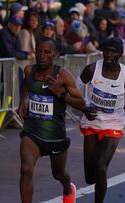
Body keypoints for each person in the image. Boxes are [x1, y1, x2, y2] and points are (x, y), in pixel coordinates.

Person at [17, 37, 96, 203]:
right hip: (32, 132)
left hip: (55, 135)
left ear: (55, 54)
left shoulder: (63, 76)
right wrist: (22, 102)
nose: (42, 56)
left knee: (58, 174)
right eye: (38, 51)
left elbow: (81, 103)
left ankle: (68, 188)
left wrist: (60, 92)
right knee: (26, 169)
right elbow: (25, 84)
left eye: (47, 52)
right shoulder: (29, 70)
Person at [77, 37, 125, 203]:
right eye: (106, 50)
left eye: (113, 52)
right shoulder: (92, 69)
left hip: (113, 123)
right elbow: (74, 87)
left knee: (101, 167)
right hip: (92, 122)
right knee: (90, 177)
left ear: (120, 54)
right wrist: (85, 105)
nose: (109, 54)